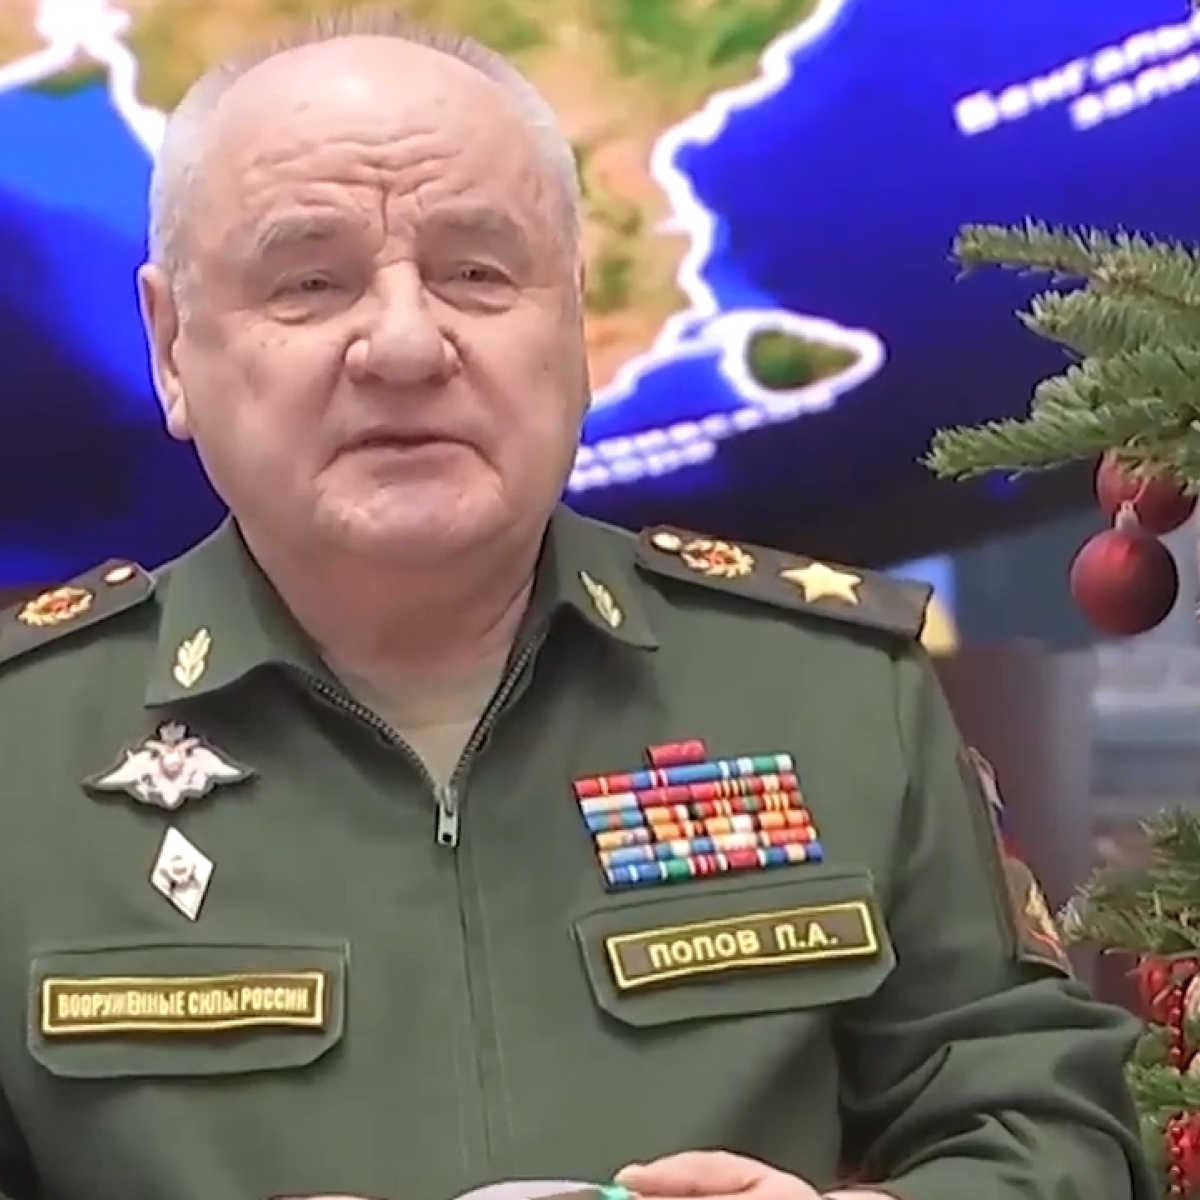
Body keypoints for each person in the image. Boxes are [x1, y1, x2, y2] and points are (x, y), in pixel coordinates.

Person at [0, 10, 1152, 1200]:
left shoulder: (835, 694)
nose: (405, 345)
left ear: (575, 321)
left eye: (477, 274)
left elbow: (1060, 1138)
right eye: (309, 283)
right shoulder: (16, 752)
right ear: (173, 346)